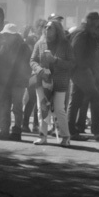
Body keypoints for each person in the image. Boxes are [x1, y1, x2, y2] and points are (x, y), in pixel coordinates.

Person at [31, 15, 73, 146]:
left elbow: (71, 63)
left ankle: (65, 136)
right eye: (46, 27)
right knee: (42, 108)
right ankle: (42, 136)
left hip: (59, 81)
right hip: (42, 80)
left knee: (60, 109)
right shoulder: (40, 43)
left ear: (57, 31)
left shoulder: (65, 45)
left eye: (50, 28)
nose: (47, 29)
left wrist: (55, 60)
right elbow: (32, 60)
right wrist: (39, 70)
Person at [67, 11, 99, 140]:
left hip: (79, 70)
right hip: (81, 71)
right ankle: (97, 130)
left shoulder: (83, 32)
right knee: (96, 98)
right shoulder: (82, 33)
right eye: (96, 22)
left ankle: (71, 130)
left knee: (76, 100)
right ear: (91, 21)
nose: (97, 25)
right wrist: (86, 69)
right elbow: (76, 53)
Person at [0, 22, 31, 140]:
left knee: (17, 107)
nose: (5, 37)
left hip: (17, 83)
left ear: (14, 36)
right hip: (5, 82)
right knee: (5, 107)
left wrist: (22, 79)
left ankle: (17, 131)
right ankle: (5, 130)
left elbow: (26, 66)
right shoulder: (4, 46)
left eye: (7, 35)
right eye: (5, 35)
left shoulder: (23, 47)